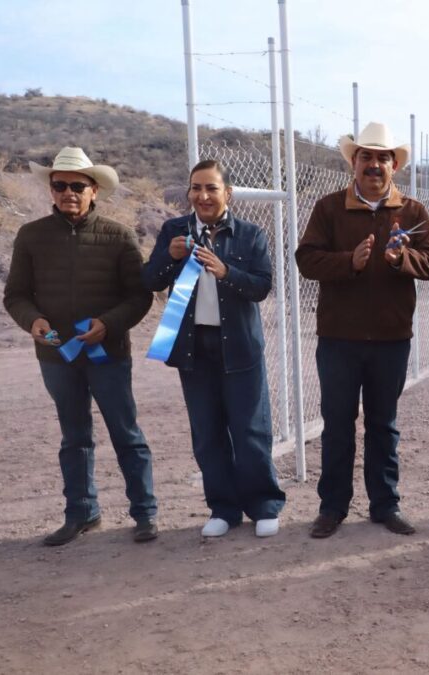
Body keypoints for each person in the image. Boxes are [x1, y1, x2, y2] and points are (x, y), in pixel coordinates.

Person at [3, 147, 157, 545]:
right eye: (60, 185)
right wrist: (32, 321)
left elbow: (139, 296)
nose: (68, 192)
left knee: (126, 433)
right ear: (51, 190)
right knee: (74, 437)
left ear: (94, 190)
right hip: (56, 356)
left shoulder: (119, 236)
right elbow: (16, 295)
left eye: (77, 186)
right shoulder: (31, 236)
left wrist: (109, 324)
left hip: (109, 355)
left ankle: (144, 514)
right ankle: (82, 513)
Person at [296, 122, 429, 538]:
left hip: (391, 339)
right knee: (337, 424)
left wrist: (401, 260)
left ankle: (385, 505)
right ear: (354, 163)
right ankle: (332, 507)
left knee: (383, 425)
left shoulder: (412, 211)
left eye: (382, 158)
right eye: (366, 157)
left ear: (394, 165)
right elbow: (306, 259)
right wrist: (349, 262)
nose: (374, 165)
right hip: (338, 339)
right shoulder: (328, 208)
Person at [142, 159, 286, 538]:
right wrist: (170, 257)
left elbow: (261, 287)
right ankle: (223, 509)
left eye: (211, 188)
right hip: (193, 347)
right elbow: (150, 279)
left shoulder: (250, 234)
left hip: (239, 346)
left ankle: (264, 505)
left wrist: (226, 272)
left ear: (228, 193)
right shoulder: (174, 230)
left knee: (250, 430)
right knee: (207, 433)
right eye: (196, 188)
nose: (203, 196)